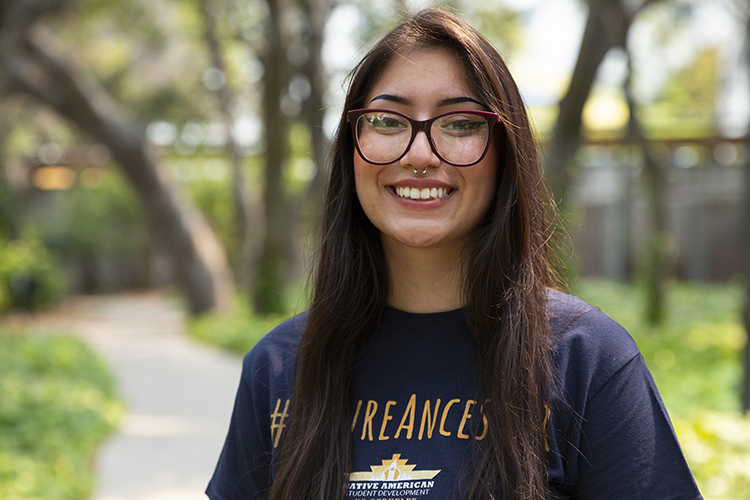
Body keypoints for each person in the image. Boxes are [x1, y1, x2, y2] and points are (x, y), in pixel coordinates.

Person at [206, 9, 702, 500]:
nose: (419, 155)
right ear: (351, 149)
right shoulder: (277, 368)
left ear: (506, 152)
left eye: (460, 123)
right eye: (386, 120)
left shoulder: (586, 359)